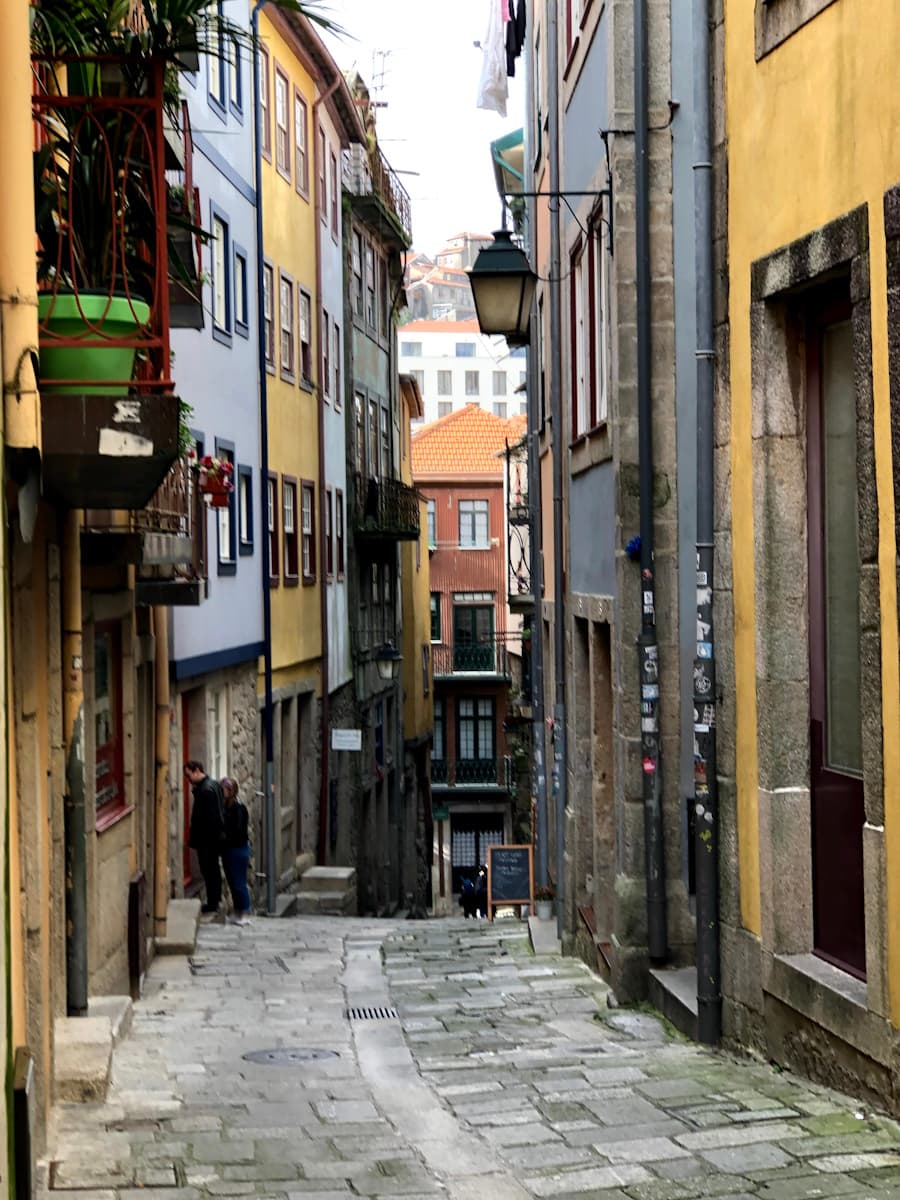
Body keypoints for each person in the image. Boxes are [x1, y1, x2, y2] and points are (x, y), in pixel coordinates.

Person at [184, 760, 224, 916]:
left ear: (196, 771)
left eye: (188, 775)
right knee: (212, 870)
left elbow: (208, 819)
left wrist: (201, 840)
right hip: (213, 839)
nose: (187, 780)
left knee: (209, 870)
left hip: (208, 841)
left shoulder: (206, 790)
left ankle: (213, 902)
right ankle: (215, 900)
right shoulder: (213, 785)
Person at [221, 776, 251, 926]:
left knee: (239, 882)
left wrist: (225, 837)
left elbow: (238, 831)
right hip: (228, 849)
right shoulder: (224, 807)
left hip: (238, 849)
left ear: (231, 791)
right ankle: (237, 911)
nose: (223, 791)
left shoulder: (239, 809)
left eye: (225, 789)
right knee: (233, 882)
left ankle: (245, 912)